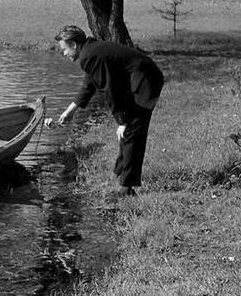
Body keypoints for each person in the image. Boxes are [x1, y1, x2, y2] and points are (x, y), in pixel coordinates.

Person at [55, 25, 164, 197]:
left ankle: (126, 188)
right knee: (128, 132)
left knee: (132, 132)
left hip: (145, 82)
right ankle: (119, 172)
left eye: (64, 49)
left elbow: (110, 89)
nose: (64, 53)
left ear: (74, 44)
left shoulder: (89, 55)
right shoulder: (90, 52)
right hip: (138, 79)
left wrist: (122, 121)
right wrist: (70, 111)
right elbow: (88, 86)